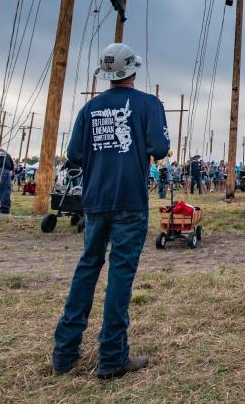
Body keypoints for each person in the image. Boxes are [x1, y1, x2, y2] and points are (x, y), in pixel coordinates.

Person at [53, 42, 168, 379]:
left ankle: (65, 352)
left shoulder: (89, 109)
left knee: (88, 267)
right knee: (120, 274)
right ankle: (112, 356)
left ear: (106, 74)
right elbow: (159, 148)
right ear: (133, 70)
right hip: (130, 200)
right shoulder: (148, 104)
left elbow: (74, 154)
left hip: (95, 200)